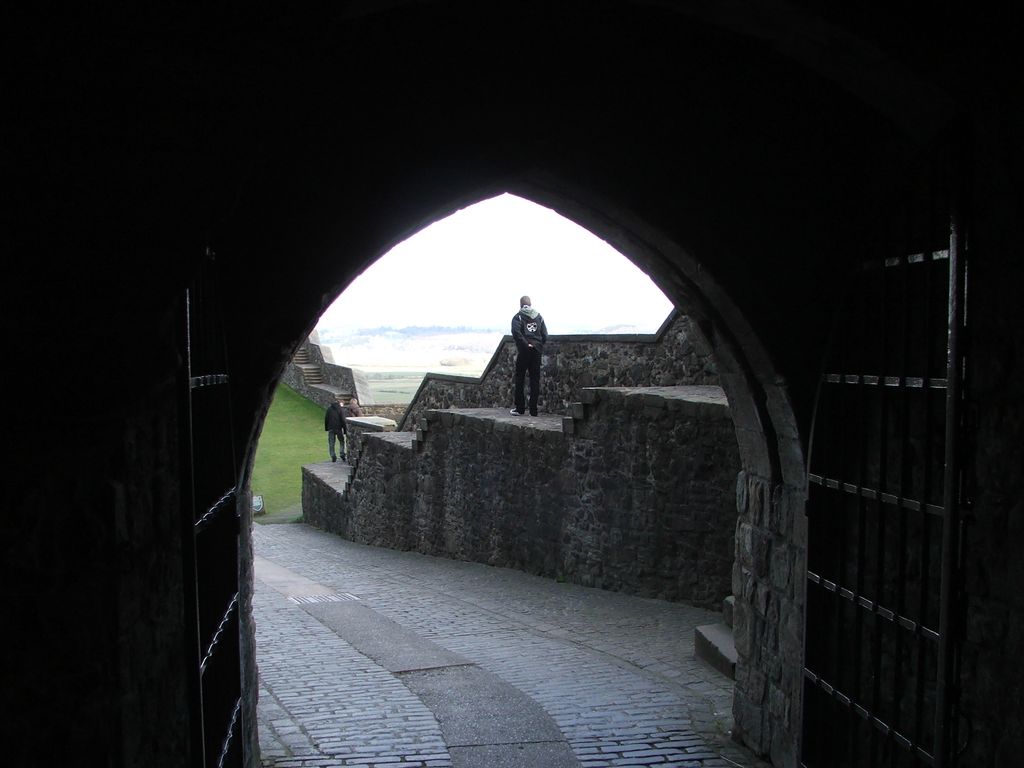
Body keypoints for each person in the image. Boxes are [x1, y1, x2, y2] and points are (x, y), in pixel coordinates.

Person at [510, 295, 548, 416]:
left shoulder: (518, 317)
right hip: (536, 350)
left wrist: (526, 344)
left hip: (524, 351)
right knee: (534, 379)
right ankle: (533, 410)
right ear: (530, 304)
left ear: (520, 304)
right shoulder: (539, 317)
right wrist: (538, 345)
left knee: (520, 378)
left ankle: (520, 408)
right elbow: (545, 335)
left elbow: (516, 333)